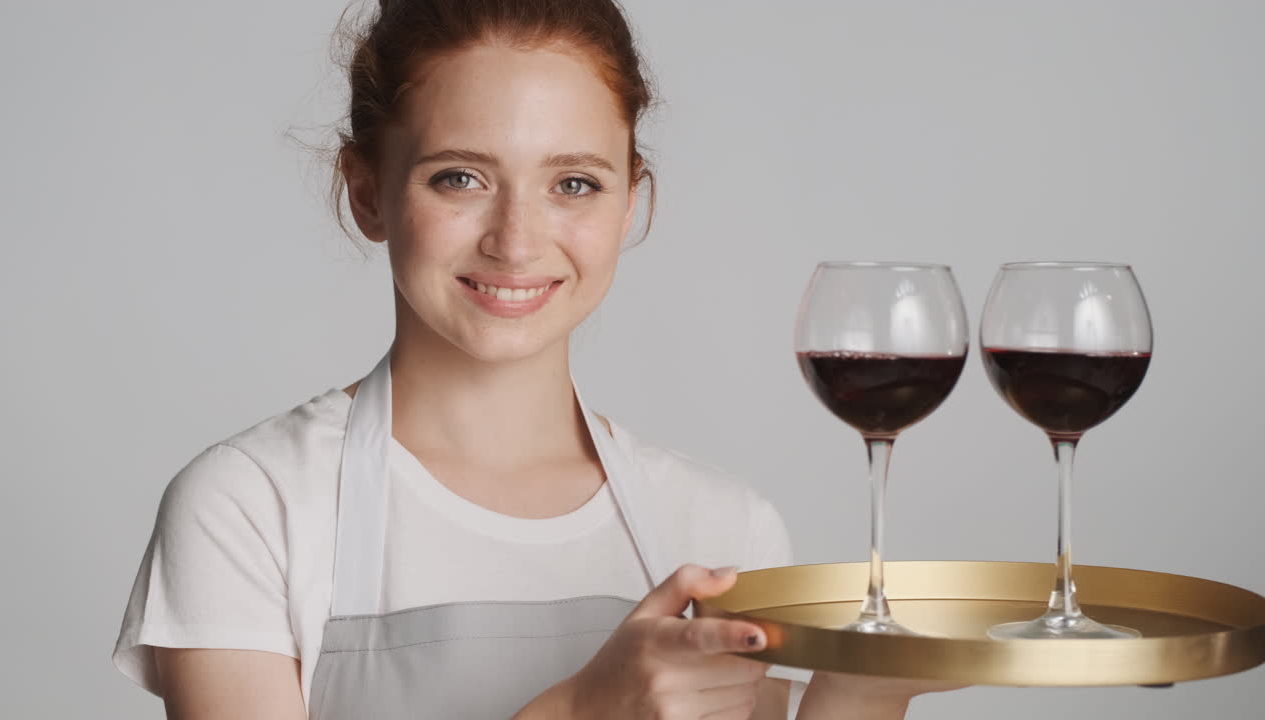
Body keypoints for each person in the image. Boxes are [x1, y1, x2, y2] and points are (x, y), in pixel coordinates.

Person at [113, 0, 954, 717]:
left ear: (631, 203)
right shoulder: (251, 506)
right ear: (367, 191)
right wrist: (580, 709)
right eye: (459, 178)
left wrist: (863, 693)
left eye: (574, 184)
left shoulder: (723, 527)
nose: (516, 241)